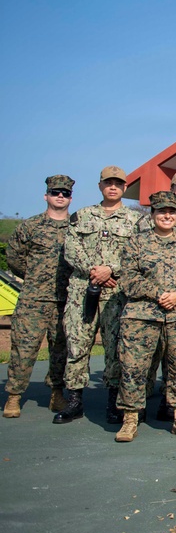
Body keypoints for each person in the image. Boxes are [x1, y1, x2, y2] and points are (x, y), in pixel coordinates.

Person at [114, 191, 176, 442]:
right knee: (133, 368)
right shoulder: (136, 242)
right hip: (141, 317)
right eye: (161, 211)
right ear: (152, 214)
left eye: (171, 212)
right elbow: (128, 278)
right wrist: (157, 293)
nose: (167, 216)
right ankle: (130, 419)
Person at [56, 166, 142, 425]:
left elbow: (137, 253)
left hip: (115, 293)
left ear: (125, 188)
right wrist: (94, 270)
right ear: (100, 186)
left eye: (118, 183)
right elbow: (71, 249)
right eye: (108, 183)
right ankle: (74, 401)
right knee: (77, 345)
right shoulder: (82, 216)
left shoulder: (135, 220)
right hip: (82, 290)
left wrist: (110, 269)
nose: (112, 187)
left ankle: (114, 402)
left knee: (115, 348)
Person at [3, 175, 74, 419]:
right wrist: (33, 277)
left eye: (65, 193)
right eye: (56, 192)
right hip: (33, 300)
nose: (60, 196)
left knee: (60, 351)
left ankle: (56, 393)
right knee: (24, 350)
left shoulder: (76, 227)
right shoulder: (30, 226)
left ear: (70, 198)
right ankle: (14, 396)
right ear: (46, 196)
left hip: (65, 300)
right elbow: (14, 256)